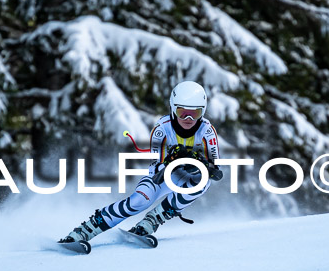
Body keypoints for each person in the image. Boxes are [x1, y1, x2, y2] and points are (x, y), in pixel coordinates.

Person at [59, 81, 223, 244]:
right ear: (173, 109)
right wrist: (175, 160)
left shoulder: (207, 130)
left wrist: (201, 165)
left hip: (185, 178)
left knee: (202, 182)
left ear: (203, 112)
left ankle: (152, 220)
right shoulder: (162, 128)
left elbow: (216, 170)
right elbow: (157, 167)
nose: (188, 118)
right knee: (139, 201)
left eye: (195, 113)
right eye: (182, 112)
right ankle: (86, 229)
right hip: (161, 175)